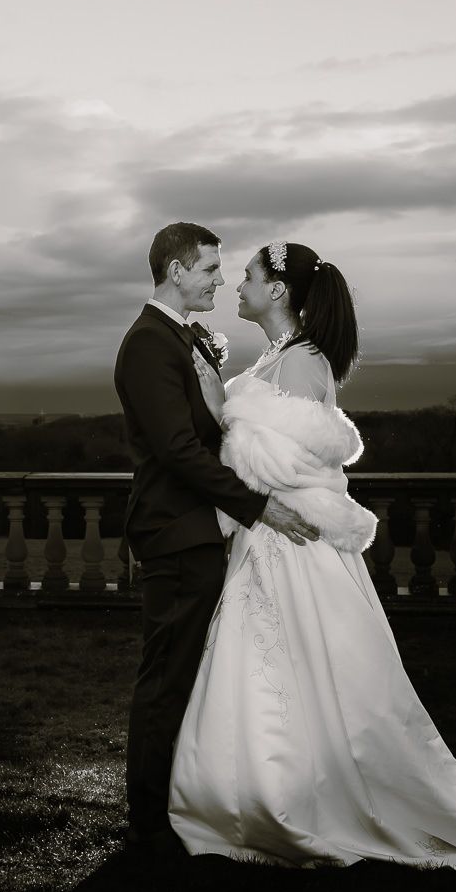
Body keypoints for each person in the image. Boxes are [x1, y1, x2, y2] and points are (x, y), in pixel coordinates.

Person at [168, 239, 456, 869]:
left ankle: (297, 798)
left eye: (246, 276)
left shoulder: (300, 362)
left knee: (309, 669)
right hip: (269, 537)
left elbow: (274, 463)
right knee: (281, 669)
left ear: (279, 290)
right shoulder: (280, 356)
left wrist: (217, 401)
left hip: (289, 540)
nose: (237, 286)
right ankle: (258, 790)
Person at [113, 222, 318, 857]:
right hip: (175, 534)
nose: (219, 280)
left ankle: (176, 803)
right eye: (208, 270)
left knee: (188, 675)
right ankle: (148, 821)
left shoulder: (182, 340)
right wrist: (258, 507)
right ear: (176, 272)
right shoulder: (149, 344)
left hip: (198, 531)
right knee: (167, 676)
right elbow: (176, 450)